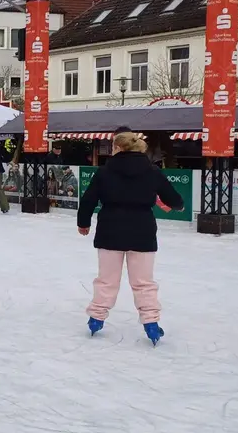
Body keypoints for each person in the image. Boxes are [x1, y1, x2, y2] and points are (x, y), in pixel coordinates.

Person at [77, 131, 184, 345]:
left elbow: (88, 200)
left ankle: (96, 318)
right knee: (143, 282)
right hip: (142, 230)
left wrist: (83, 222)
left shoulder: (105, 172)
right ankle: (151, 323)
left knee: (107, 279)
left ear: (118, 148)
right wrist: (178, 205)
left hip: (110, 230)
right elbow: (172, 198)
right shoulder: (152, 171)